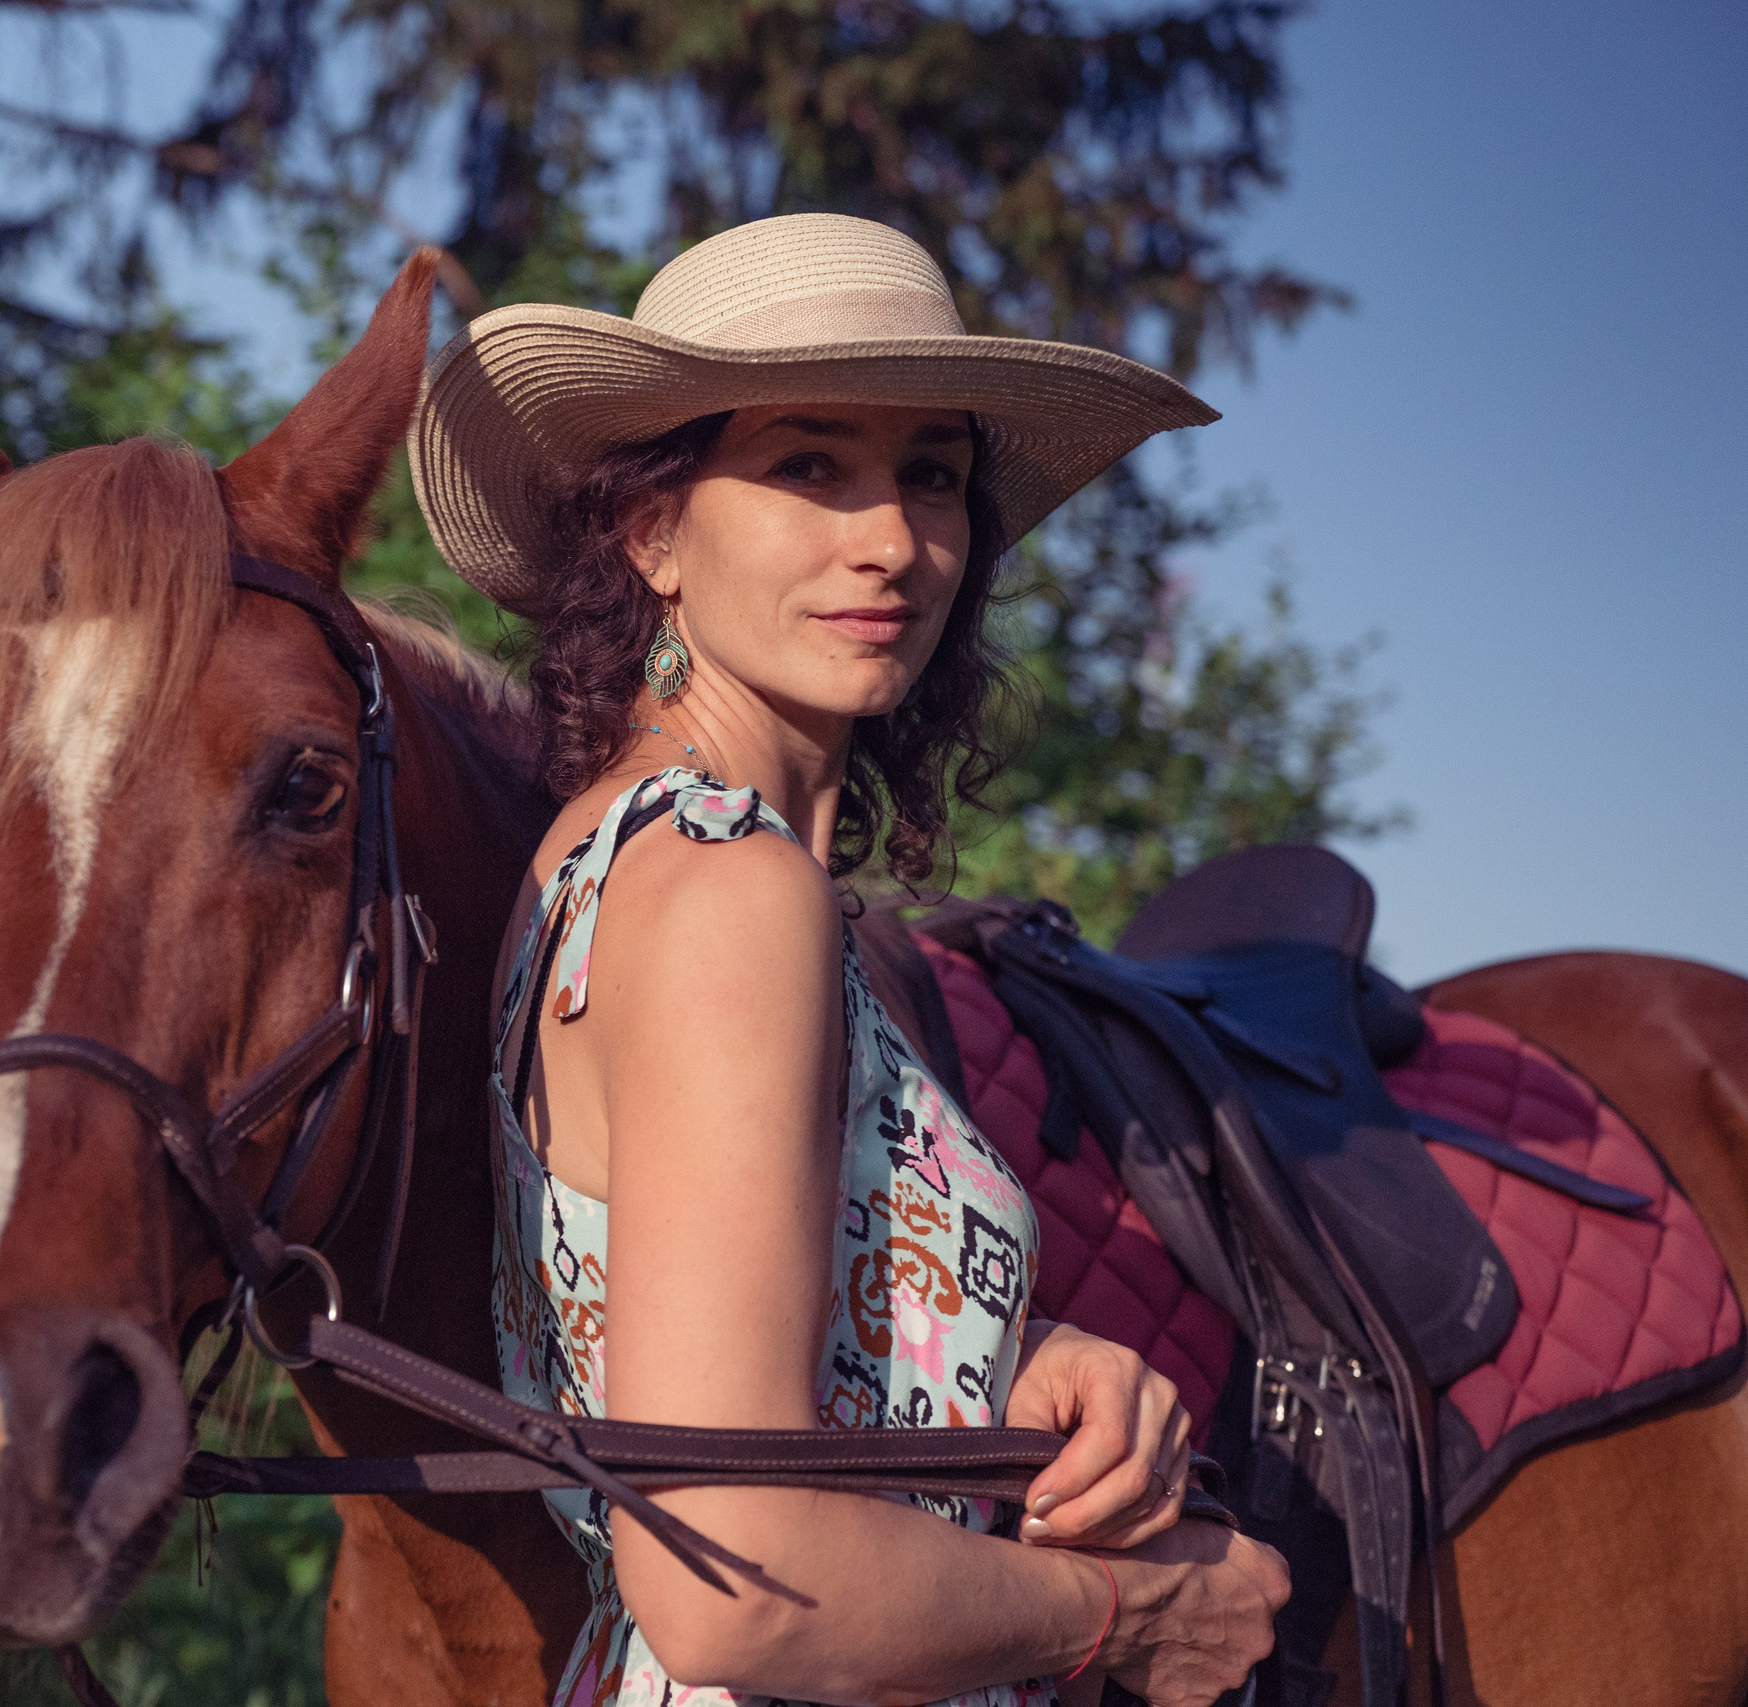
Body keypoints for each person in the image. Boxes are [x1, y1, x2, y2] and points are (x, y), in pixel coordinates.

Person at [409, 214, 1292, 1707]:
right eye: (810, 464)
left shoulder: (605, 854)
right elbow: (726, 1582)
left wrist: (1015, 1353)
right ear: (655, 529)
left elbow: (699, 1340)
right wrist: (1126, 1616)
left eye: (930, 475)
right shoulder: (725, 887)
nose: (890, 539)